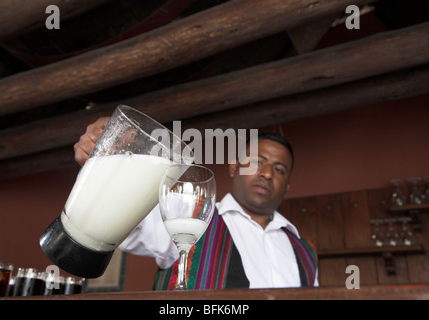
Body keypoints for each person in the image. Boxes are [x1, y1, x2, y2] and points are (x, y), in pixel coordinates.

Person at [74, 117, 318, 289]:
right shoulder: (191, 212)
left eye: (279, 169)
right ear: (234, 168)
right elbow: (123, 213)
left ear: (287, 186)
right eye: (257, 161)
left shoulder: (304, 251)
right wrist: (107, 164)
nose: (267, 173)